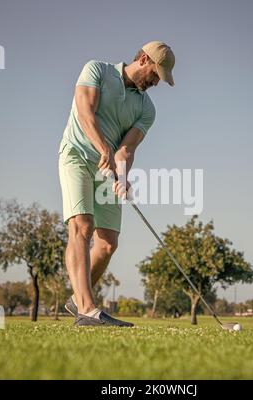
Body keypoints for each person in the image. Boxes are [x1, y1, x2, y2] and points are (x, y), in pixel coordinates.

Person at [58, 41, 175, 327]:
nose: (157, 82)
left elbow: (127, 149)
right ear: (144, 59)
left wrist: (122, 175)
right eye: (156, 74)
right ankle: (87, 309)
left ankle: (77, 299)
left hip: (106, 167)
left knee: (108, 243)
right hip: (77, 155)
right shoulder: (97, 70)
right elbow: (85, 112)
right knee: (82, 226)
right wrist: (103, 149)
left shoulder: (147, 108)